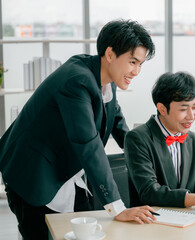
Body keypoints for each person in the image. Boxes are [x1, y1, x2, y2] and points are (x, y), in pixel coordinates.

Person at [0, 19, 157, 239]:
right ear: (110, 54)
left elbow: (119, 125)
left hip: (67, 175)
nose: (137, 71)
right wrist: (118, 207)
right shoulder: (77, 80)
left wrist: (148, 162)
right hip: (32, 176)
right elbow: (88, 144)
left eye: (140, 64)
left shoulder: (106, 78)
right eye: (133, 62)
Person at [125, 72, 195, 210]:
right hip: (151, 219)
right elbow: (150, 192)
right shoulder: (138, 138)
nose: (191, 116)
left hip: (186, 218)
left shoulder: (191, 138)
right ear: (162, 108)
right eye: (184, 109)